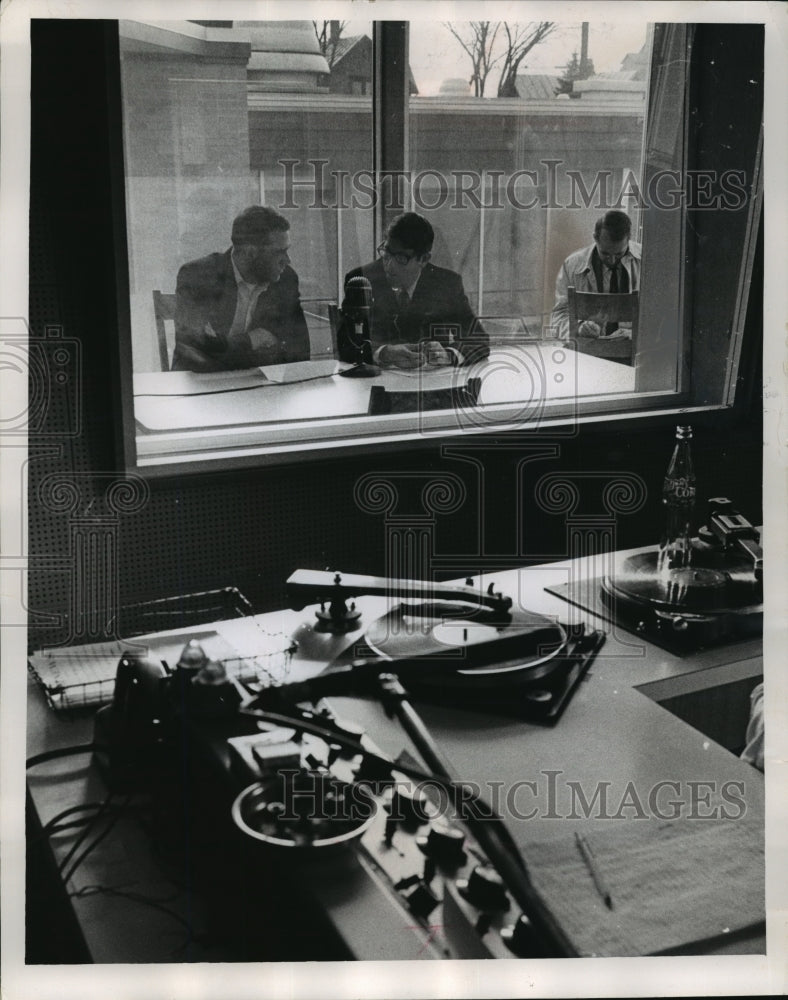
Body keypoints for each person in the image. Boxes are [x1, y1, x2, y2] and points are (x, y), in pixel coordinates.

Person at [337, 212, 488, 369]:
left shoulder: (447, 283)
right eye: (386, 253)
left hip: (432, 386)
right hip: (374, 387)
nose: (389, 265)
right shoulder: (361, 280)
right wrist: (383, 353)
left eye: (401, 258)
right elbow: (344, 344)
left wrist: (448, 354)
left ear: (423, 259)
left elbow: (479, 339)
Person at [171, 205, 310, 372]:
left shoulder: (286, 279)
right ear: (249, 252)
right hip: (202, 387)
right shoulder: (198, 276)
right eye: (279, 252)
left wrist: (223, 345)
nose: (287, 260)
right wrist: (253, 340)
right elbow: (195, 353)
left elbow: (300, 350)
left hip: (257, 388)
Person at [550, 209, 641, 341]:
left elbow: (660, 316)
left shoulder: (648, 262)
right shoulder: (572, 265)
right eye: (605, 253)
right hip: (588, 354)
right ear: (595, 238)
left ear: (629, 239)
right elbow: (558, 318)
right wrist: (578, 328)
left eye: (619, 254)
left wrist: (636, 334)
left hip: (636, 355)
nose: (612, 260)